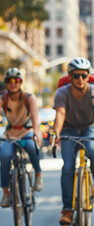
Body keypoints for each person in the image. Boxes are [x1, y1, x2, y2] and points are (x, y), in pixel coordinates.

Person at [52, 57, 94, 226]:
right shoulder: (62, 93)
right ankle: (68, 210)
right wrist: (56, 134)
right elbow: (60, 114)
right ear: (70, 76)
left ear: (88, 76)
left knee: (93, 151)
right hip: (69, 130)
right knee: (68, 167)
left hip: (89, 128)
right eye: (76, 75)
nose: (80, 79)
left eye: (84, 75)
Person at [0, 67, 43, 207]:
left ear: (20, 83)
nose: (13, 83)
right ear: (6, 83)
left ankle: (38, 174)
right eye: (10, 81)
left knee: (31, 146)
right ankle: (6, 192)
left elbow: (35, 118)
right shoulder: (3, 99)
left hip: (26, 132)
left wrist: (37, 133)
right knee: (5, 156)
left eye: (16, 80)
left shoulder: (28, 97)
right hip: (10, 135)